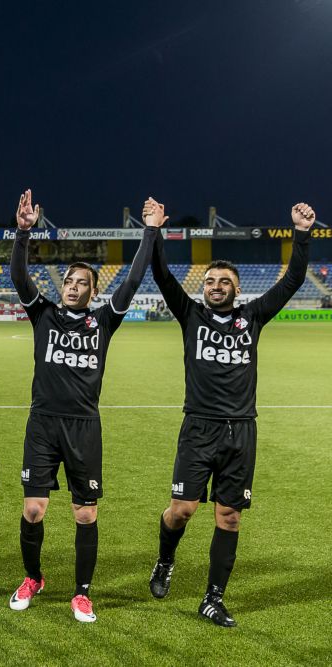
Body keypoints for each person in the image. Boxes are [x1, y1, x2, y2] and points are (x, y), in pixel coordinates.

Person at [147, 199, 316, 627]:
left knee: (229, 515)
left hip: (241, 431)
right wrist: (154, 231)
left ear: (237, 289)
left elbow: (294, 278)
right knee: (182, 510)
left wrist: (301, 232)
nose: (216, 285)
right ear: (202, 286)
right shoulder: (190, 314)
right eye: (210, 280)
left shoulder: (253, 316)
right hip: (198, 427)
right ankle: (165, 559)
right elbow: (163, 275)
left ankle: (212, 598)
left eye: (224, 281)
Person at [9, 189, 159, 623]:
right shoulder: (44, 314)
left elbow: (132, 279)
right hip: (42, 423)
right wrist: (23, 233)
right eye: (69, 282)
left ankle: (82, 593)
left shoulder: (104, 321)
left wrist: (149, 232)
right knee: (34, 510)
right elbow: (20, 278)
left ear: (93, 291)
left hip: (83, 426)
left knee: (85, 511)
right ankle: (33, 577)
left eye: (82, 284)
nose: (73, 287)